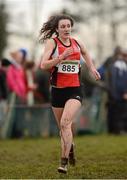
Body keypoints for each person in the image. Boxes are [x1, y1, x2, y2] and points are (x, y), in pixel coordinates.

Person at [40, 14, 101, 173]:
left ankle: (64, 162)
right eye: (63, 26)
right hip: (57, 91)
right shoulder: (52, 43)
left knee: (65, 123)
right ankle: (70, 146)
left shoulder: (77, 42)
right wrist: (60, 57)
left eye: (68, 26)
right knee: (63, 130)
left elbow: (86, 53)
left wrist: (92, 68)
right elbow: (43, 65)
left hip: (75, 90)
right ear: (57, 29)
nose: (67, 29)